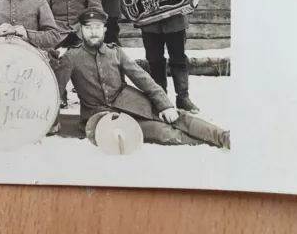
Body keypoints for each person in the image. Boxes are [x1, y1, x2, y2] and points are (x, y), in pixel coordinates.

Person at [54, 8, 230, 148]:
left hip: (129, 101)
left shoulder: (115, 51)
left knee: (177, 117)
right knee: (162, 132)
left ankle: (224, 137)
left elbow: (142, 78)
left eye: (97, 27)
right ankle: (205, 144)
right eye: (88, 28)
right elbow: (56, 91)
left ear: (104, 29)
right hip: (102, 118)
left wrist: (165, 104)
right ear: (80, 31)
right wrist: (51, 121)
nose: (93, 32)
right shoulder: (71, 57)